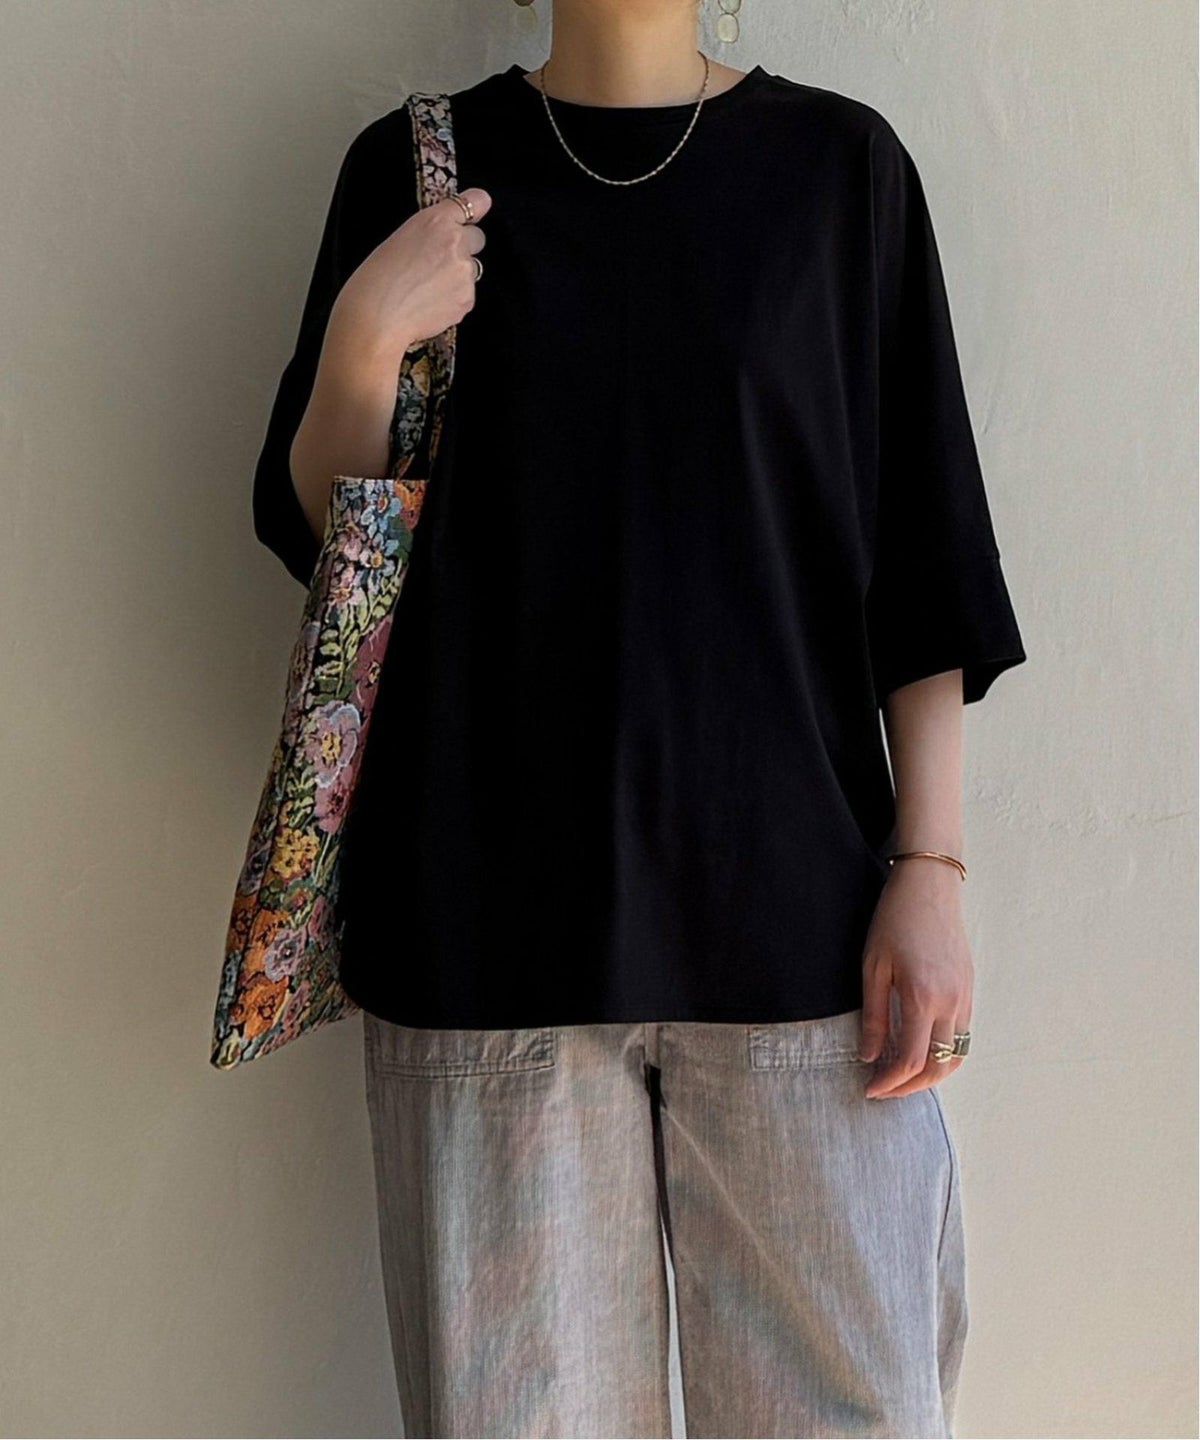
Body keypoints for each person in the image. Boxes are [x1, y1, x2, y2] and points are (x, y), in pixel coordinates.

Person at [250, 3, 1027, 1435]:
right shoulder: (413, 169)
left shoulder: (841, 172)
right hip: (489, 950)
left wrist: (932, 866)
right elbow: (329, 545)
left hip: (807, 951)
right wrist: (363, 346)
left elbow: (924, 561)